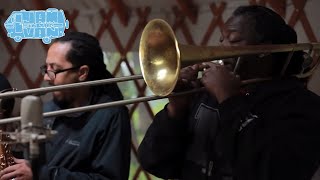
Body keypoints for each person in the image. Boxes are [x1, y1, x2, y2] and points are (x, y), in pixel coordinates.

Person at [138, 5, 320, 180]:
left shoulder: (303, 106)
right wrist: (177, 109)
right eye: (221, 40)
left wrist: (229, 100)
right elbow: (155, 162)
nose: (220, 50)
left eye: (233, 40)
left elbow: (275, 171)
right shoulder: (204, 94)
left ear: (264, 50)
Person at [0, 32, 131, 180]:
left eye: (54, 69)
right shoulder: (49, 108)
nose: (45, 77)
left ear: (82, 73)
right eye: (46, 67)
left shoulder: (111, 115)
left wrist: (42, 175)